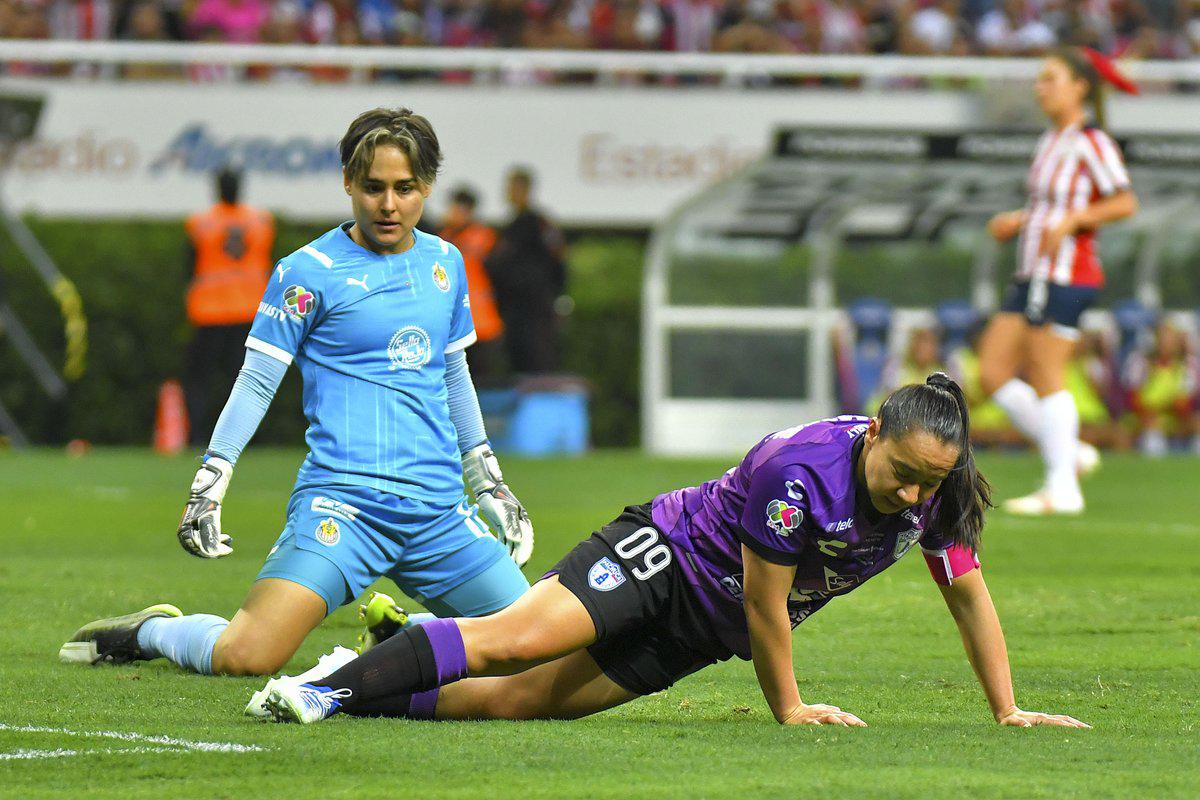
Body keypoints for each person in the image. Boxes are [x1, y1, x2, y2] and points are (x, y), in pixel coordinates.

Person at [260, 375, 1088, 731]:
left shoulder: (939, 491)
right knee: (511, 640)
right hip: (665, 554)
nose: (913, 496)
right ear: (874, 432)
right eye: (902, 475)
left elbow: (970, 598)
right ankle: (316, 690)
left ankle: (357, 678)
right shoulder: (797, 471)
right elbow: (769, 605)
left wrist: (1007, 710)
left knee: (518, 703)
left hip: (705, 628)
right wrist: (791, 709)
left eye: (927, 485)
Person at [59, 108, 535, 689]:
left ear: (426, 186)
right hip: (343, 507)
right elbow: (257, 381)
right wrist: (211, 481)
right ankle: (153, 631)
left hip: (438, 511)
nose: (389, 204)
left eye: (405, 188)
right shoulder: (307, 272)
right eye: (374, 187)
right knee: (248, 656)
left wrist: (487, 478)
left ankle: (401, 636)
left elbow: (453, 372)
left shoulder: (446, 262)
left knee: (537, 646)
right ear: (347, 182)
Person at [979, 47, 1139, 515]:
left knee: (1047, 371)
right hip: (1033, 271)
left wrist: (1074, 221)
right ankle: (1066, 453)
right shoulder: (1051, 140)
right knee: (991, 372)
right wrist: (1021, 220)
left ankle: (1061, 488)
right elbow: (1051, 207)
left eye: (1050, 78)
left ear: (1079, 87)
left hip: (1069, 273)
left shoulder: (1092, 140)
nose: (1040, 87)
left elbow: (1124, 202)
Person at [182, 167, 275, 446]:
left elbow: (189, 267)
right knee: (247, 378)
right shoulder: (261, 221)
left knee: (199, 379)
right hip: (248, 309)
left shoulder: (201, 223)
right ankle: (248, 437)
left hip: (209, 311)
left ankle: (197, 436)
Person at [484, 167, 567, 375]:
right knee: (517, 359)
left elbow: (558, 260)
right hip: (513, 307)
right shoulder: (510, 227)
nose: (512, 193)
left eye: (516, 188)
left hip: (536, 307)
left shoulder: (539, 224)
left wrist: (553, 294)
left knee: (538, 359)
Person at [438, 186, 506, 385]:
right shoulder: (441, 239)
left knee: (482, 384)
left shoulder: (486, 239)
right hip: (452, 326)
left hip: (484, 326)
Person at [1124, 320, 1200, 456]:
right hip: (1145, 416)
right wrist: (1153, 411)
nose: (1166, 344)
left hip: (1175, 417)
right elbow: (1133, 399)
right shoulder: (1140, 363)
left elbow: (1184, 404)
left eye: (1171, 340)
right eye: (1162, 338)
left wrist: (1167, 407)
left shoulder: (1187, 366)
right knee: (1151, 425)